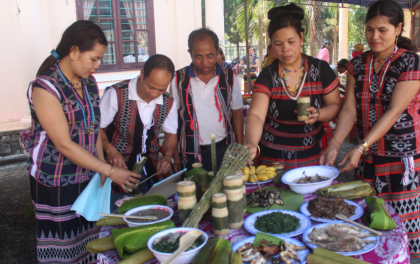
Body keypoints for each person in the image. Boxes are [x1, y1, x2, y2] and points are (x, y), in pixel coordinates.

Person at [319, 0, 420, 258]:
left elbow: (394, 111)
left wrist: (359, 146)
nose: (374, 36)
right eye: (370, 29)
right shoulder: (357, 65)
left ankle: (401, 259)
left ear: (398, 29)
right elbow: (349, 109)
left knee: (399, 219)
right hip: (368, 153)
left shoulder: (411, 62)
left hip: (401, 156)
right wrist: (335, 144)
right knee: (366, 214)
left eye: (383, 30)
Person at [26, 21, 141, 263]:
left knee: (91, 241)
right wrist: (109, 170)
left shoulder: (87, 82)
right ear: (74, 51)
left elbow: (93, 129)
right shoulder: (45, 87)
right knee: (64, 247)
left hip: (88, 175)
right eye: (94, 58)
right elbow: (64, 144)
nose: (97, 66)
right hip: (55, 180)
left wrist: (101, 167)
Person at [244, 4, 341, 168]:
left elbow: (335, 105)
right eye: (278, 43)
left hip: (311, 157)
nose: (285, 49)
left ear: (302, 37)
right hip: (272, 160)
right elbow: (256, 115)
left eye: (291, 41)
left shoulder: (321, 70)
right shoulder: (268, 75)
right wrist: (252, 142)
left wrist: (318, 114)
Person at [99, 55, 179, 193]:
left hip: (151, 167)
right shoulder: (116, 93)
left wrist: (167, 156)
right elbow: (97, 129)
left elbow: (171, 134)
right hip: (117, 167)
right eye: (151, 87)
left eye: (161, 90)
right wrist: (109, 149)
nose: (154, 94)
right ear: (142, 74)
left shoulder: (169, 101)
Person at [170, 28, 244, 171]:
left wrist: (239, 148)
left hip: (225, 149)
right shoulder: (178, 79)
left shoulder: (229, 77)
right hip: (191, 152)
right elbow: (172, 120)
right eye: (198, 56)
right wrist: (175, 155)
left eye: (210, 56)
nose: (205, 62)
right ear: (190, 53)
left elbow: (237, 113)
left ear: (217, 51)